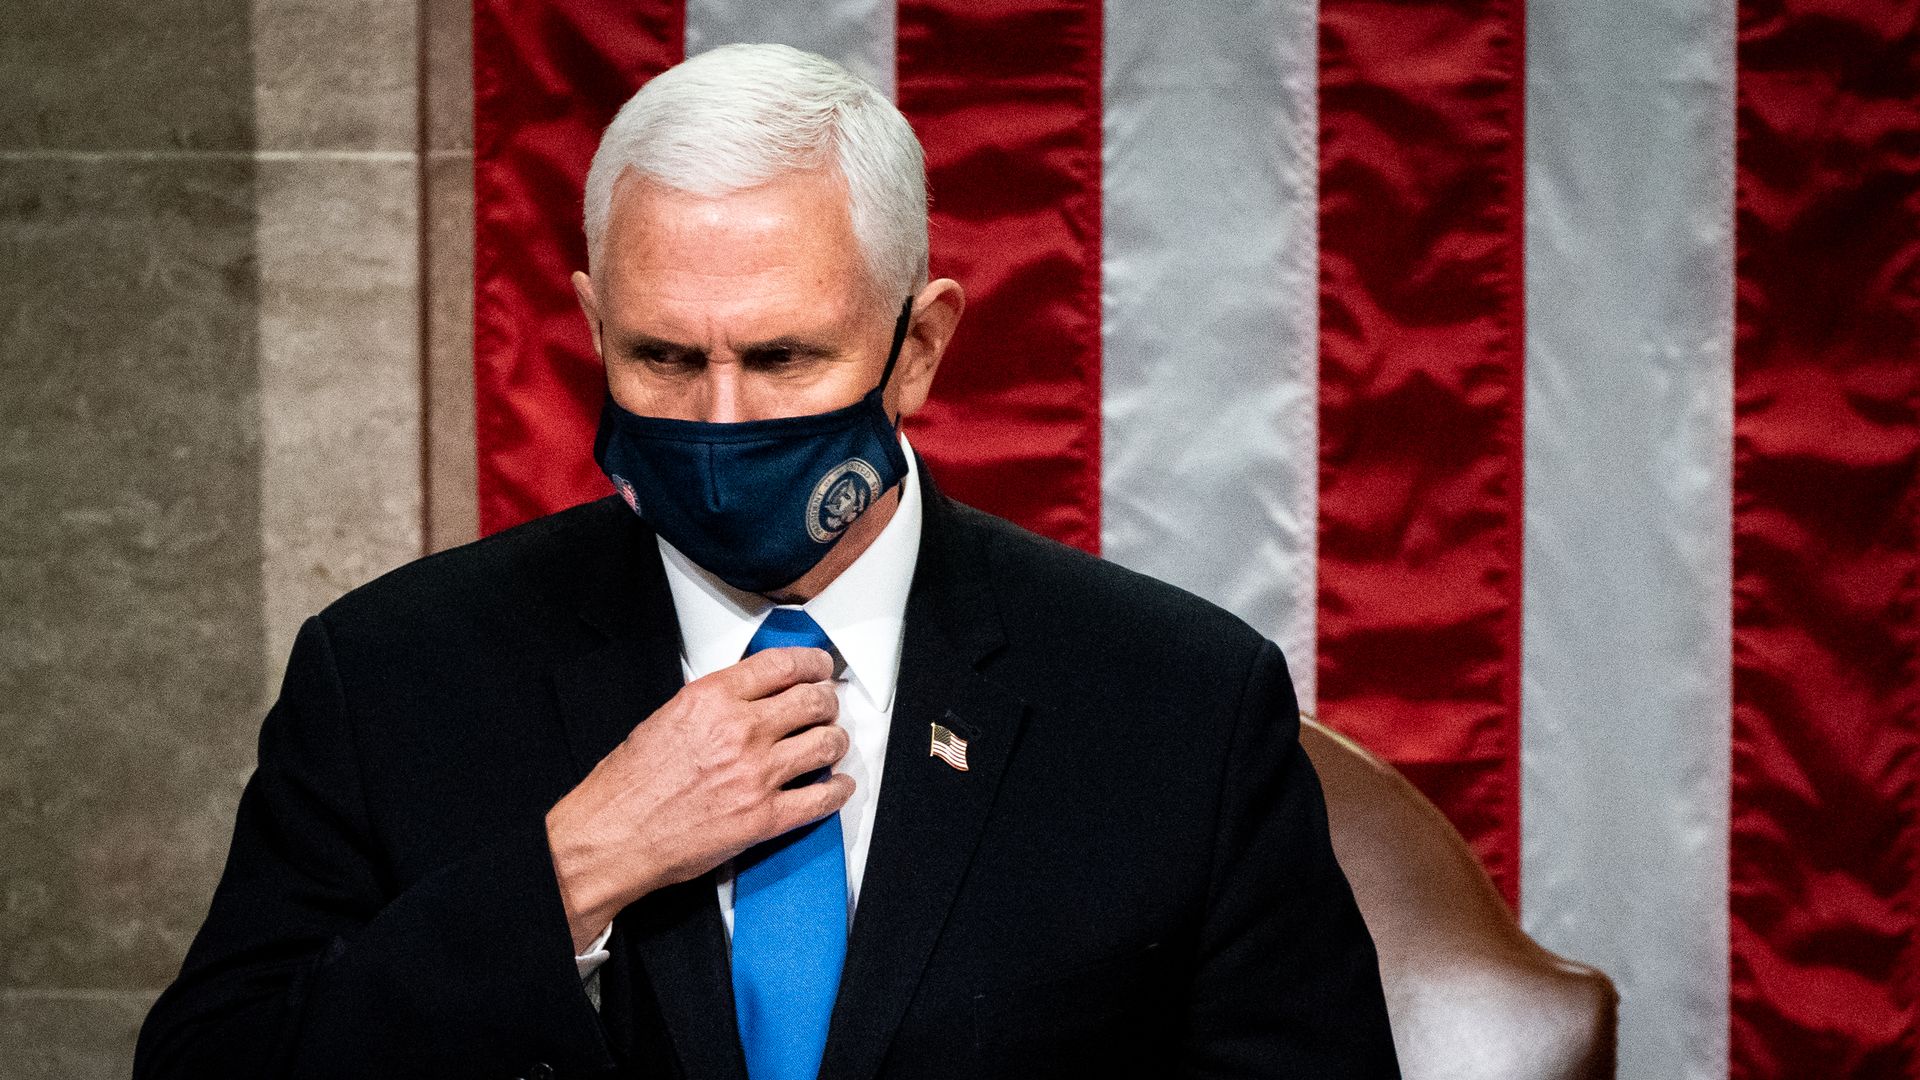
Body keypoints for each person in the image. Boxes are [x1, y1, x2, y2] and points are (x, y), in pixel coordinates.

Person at [135, 43, 1398, 1080]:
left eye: (785, 359)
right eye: (663, 360)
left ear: (919, 347)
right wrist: (574, 869)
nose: (723, 424)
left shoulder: (1176, 699)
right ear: (589, 325)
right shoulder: (394, 677)